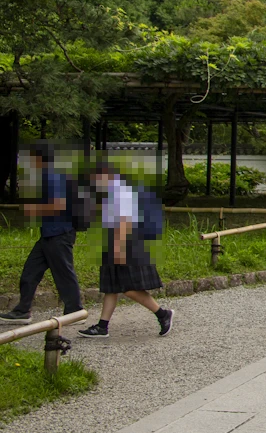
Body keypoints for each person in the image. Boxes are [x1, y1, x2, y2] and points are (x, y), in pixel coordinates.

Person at [78, 162, 172, 338]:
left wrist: (118, 248)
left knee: (128, 287)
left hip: (126, 243)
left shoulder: (120, 192)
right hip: (114, 241)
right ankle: (102, 326)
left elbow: (124, 222)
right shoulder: (110, 192)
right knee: (111, 286)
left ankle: (162, 314)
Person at [0, 143, 83, 324]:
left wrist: (34, 208)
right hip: (49, 233)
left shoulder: (53, 177)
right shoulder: (49, 175)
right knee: (30, 271)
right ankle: (22, 310)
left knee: (63, 273)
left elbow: (59, 205)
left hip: (59, 233)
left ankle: (75, 311)